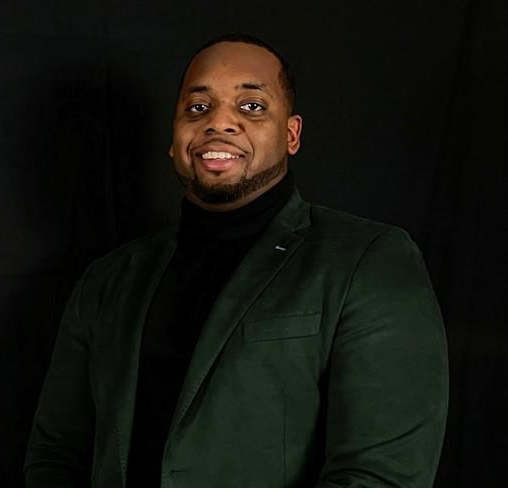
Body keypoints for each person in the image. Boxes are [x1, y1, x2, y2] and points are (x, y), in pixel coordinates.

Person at [25, 33, 448, 487]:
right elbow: (56, 455)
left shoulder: (369, 260)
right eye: (197, 107)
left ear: (291, 135)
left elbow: (382, 476)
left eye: (251, 106)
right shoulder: (108, 279)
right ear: (174, 139)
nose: (219, 122)